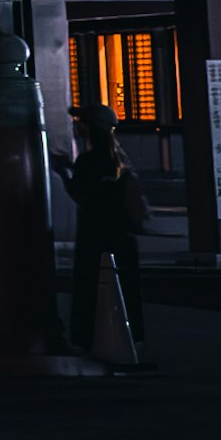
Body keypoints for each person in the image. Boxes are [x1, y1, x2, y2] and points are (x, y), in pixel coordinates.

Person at [68, 99, 151, 366]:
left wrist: (62, 173)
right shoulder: (119, 160)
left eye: (81, 123)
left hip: (95, 235)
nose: (77, 128)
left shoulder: (88, 160)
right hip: (121, 235)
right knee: (125, 286)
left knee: (90, 285)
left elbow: (83, 194)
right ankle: (131, 336)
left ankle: (88, 338)